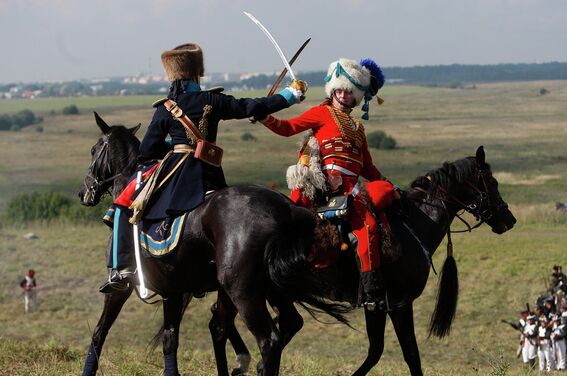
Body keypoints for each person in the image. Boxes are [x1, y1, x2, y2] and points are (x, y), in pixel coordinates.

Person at [100, 43, 307, 293]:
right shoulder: (213, 100)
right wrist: (288, 97)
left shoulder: (165, 107)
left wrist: (173, 143)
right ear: (199, 71)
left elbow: (146, 152)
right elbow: (250, 106)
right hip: (210, 175)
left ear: (173, 75)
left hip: (176, 178)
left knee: (125, 203)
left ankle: (122, 270)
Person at [260, 58, 398, 310]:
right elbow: (288, 127)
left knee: (380, 209)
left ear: (356, 96)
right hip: (328, 187)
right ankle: (372, 292)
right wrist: (265, 118)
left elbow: (367, 167)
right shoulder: (322, 113)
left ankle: (370, 288)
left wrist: (387, 184)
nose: (344, 95)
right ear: (333, 90)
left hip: (353, 188)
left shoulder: (357, 128)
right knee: (367, 227)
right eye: (340, 90)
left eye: (349, 92)